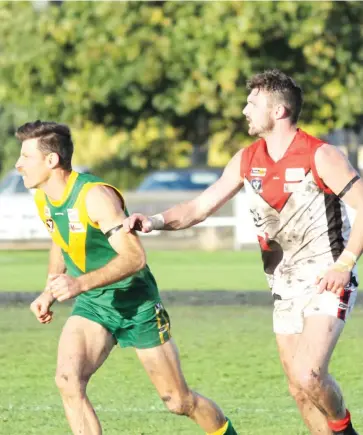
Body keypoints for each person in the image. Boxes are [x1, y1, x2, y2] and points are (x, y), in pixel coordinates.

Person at [123, 69, 363, 435]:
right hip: (283, 287)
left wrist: (345, 264)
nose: (243, 109)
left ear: (279, 111)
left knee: (309, 374)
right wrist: (153, 221)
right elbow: (199, 207)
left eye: (253, 102)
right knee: (299, 390)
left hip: (326, 280)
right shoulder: (246, 160)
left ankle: (344, 430)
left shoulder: (321, 155)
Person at [15, 120, 237, 435]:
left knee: (178, 401)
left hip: (137, 305)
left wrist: (77, 284)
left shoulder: (95, 196)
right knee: (68, 380)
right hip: (94, 304)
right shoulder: (43, 198)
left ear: (51, 161)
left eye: (25, 156)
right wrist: (49, 290)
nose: (18, 164)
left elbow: (135, 258)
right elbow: (60, 239)